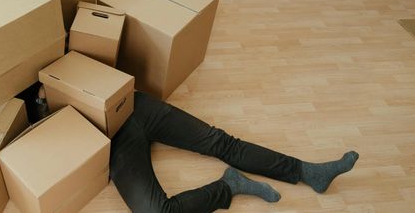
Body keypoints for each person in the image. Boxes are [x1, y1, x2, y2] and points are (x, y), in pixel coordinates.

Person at [110, 91, 359, 212]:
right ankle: (228, 186)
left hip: (128, 102)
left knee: (221, 142)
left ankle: (308, 171)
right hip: (109, 139)